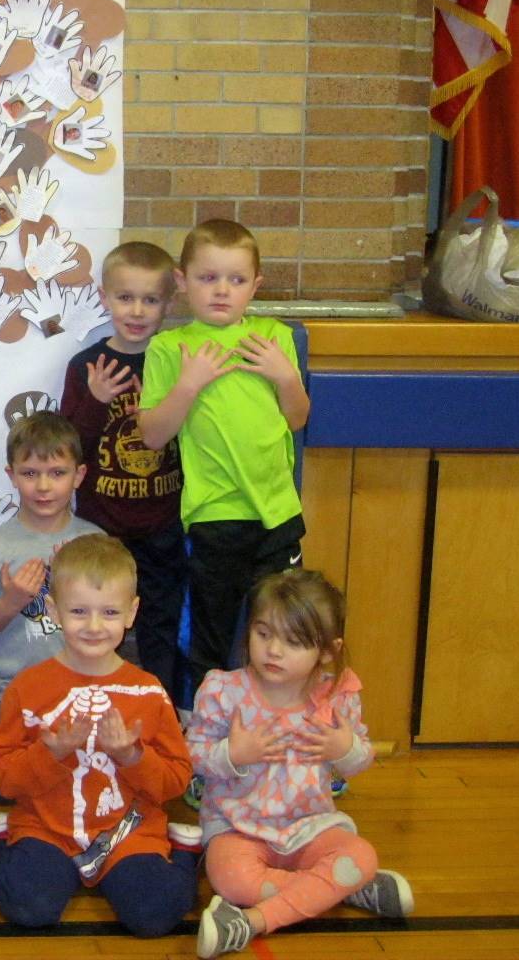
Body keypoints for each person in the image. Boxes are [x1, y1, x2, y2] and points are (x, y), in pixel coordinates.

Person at [188, 569, 413, 957]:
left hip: (310, 825)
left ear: (328, 650)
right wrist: (232, 754)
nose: (274, 650)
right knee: (230, 879)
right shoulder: (223, 690)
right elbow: (192, 755)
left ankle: (251, 921)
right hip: (237, 827)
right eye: (263, 634)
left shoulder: (337, 697)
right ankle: (342, 887)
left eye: (293, 641)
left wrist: (345, 749)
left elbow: (358, 763)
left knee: (361, 855)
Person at [0, 536, 197, 937]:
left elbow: (175, 781)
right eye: (79, 611)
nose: (94, 626)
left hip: (129, 832)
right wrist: (53, 752)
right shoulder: (26, 688)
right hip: (46, 829)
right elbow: (2, 777)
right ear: (53, 611)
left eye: (110, 612)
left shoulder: (149, 692)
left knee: (155, 915)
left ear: (132, 613)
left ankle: (185, 854)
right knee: (28, 906)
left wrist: (133, 757)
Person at [139, 219, 310, 698]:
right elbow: (152, 435)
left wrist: (284, 377)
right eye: (207, 278)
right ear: (181, 281)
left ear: (255, 285)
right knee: (211, 638)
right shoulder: (170, 348)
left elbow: (298, 419)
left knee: (284, 631)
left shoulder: (272, 337)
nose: (221, 291)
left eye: (236, 280)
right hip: (216, 518)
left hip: (278, 514)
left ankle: (280, 729)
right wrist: (189, 384)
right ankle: (203, 739)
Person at [60, 242, 186, 701]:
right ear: (104, 297)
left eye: (150, 300)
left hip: (162, 524)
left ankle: (162, 713)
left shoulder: (174, 360)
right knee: (95, 623)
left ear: (169, 304)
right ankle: (93, 704)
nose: (137, 310)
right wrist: (94, 399)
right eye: (125, 297)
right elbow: (70, 448)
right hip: (102, 526)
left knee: (159, 628)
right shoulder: (87, 366)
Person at [0, 411, 103, 726]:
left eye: (57, 473)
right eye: (30, 473)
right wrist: (11, 602)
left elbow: (109, 618)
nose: (43, 486)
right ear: (12, 475)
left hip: (79, 688)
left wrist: (73, 585)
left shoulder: (95, 543)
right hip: (7, 694)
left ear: (79, 475)